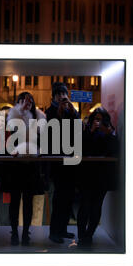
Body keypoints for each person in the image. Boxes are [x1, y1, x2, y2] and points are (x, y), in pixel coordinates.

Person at [6, 92, 47, 245]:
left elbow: (41, 138)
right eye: (23, 100)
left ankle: (25, 233)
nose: (27, 103)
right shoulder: (14, 115)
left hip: (31, 165)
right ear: (18, 103)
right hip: (16, 165)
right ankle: (14, 233)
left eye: (30, 101)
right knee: (15, 201)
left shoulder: (39, 117)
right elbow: (15, 133)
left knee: (28, 201)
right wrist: (21, 111)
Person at [77, 107, 118, 247]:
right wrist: (91, 131)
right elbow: (81, 148)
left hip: (102, 176)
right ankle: (82, 235)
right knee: (85, 205)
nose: (97, 122)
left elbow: (114, 150)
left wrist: (108, 133)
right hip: (87, 175)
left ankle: (89, 234)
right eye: (96, 119)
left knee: (96, 206)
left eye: (100, 120)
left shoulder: (109, 133)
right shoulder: (87, 132)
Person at [46, 82, 80, 243]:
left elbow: (77, 131)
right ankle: (54, 232)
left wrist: (73, 113)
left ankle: (63, 229)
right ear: (54, 96)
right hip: (58, 162)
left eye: (64, 93)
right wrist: (60, 113)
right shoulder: (50, 111)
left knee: (68, 197)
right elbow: (51, 134)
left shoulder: (71, 111)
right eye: (59, 94)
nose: (62, 97)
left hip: (71, 160)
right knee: (59, 198)